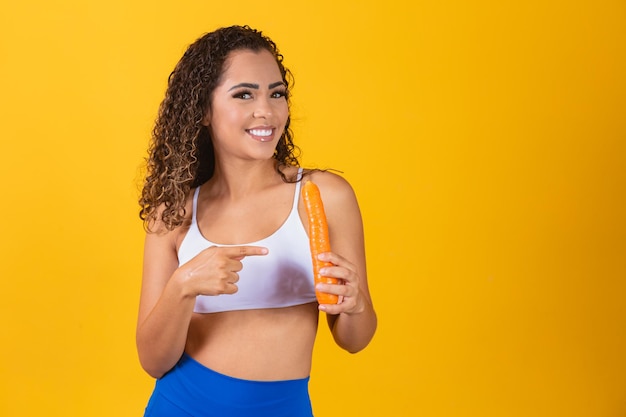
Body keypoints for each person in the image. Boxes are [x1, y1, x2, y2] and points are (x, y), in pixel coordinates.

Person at [136, 25, 377, 417]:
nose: (266, 110)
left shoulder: (324, 196)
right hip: (180, 405)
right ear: (203, 111)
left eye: (276, 93)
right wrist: (182, 286)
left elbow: (354, 340)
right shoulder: (174, 213)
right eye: (244, 94)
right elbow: (152, 360)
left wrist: (356, 305)